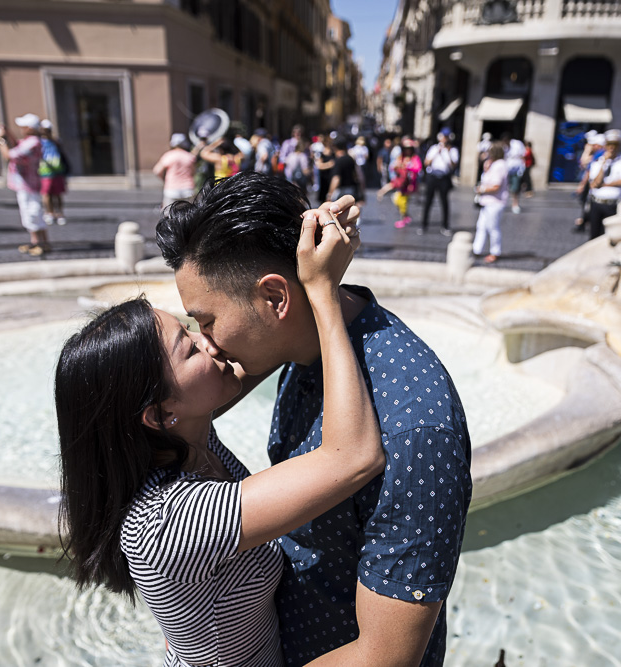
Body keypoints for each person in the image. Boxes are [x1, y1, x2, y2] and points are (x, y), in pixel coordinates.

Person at [156, 173, 472, 666]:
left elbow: (383, 659)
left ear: (276, 299)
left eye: (207, 320)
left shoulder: (414, 427)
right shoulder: (302, 348)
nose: (207, 343)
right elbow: (177, 407)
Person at [57, 201, 384, 667]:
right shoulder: (172, 520)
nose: (212, 342)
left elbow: (263, 342)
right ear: (158, 412)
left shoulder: (184, 440)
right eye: (191, 346)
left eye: (197, 325)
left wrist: (298, 251)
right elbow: (353, 457)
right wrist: (321, 290)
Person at [0, 113, 48, 257]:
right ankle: (37, 241)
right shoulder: (30, 141)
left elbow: (10, 155)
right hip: (26, 183)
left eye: (24, 126)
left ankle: (40, 243)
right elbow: (16, 145)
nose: (22, 129)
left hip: (29, 184)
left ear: (30, 128)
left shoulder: (33, 142)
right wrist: (7, 134)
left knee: (32, 212)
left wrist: (0, 139)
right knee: (29, 212)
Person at [585, 129, 621, 240]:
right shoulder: (598, 160)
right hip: (597, 203)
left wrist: (603, 185)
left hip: (612, 204)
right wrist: (604, 163)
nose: (612, 148)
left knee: (609, 237)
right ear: (605, 145)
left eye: (615, 144)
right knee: (594, 236)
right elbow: (594, 183)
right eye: (609, 144)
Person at [473, 142, 508, 263]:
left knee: (493, 227)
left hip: (495, 202)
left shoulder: (500, 165)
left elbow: (496, 185)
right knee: (481, 226)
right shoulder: (492, 164)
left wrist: (481, 189)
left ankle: (495, 251)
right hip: (487, 201)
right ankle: (476, 249)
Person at [421, 128, 459, 236]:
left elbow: (453, 165)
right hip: (432, 176)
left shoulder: (452, 150)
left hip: (444, 177)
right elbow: (426, 162)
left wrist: (446, 153)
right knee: (428, 201)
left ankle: (445, 225)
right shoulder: (434, 148)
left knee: (444, 202)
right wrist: (437, 153)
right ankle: (424, 224)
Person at [377, 139, 422, 229]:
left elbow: (418, 168)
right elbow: (393, 167)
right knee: (397, 200)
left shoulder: (414, 158)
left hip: (409, 183)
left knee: (403, 201)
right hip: (401, 182)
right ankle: (405, 216)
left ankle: (403, 218)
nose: (407, 150)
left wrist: (407, 167)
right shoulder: (401, 157)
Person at [153, 133, 200, 210]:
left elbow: (157, 171)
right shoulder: (189, 156)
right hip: (187, 189)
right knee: (188, 214)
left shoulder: (169, 155)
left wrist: (164, 180)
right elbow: (193, 172)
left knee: (169, 214)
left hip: (171, 189)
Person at [38, 119, 69, 226]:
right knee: (46, 194)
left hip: (57, 171)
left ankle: (59, 213)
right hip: (45, 172)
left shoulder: (55, 141)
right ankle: (49, 213)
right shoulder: (39, 142)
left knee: (57, 194)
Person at [573, 132, 605, 233]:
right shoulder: (597, 154)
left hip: (593, 184)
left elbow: (586, 166)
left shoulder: (600, 155)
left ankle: (584, 222)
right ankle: (584, 221)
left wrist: (582, 184)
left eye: (594, 145)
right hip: (591, 183)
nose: (593, 146)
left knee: (588, 204)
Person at [503, 132, 526, 214]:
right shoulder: (505, 147)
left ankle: (515, 204)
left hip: (517, 169)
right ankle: (503, 203)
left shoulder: (517, 144)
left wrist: (523, 168)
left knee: (515, 188)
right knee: (504, 187)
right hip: (507, 169)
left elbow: (523, 155)